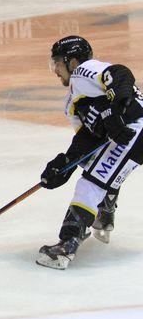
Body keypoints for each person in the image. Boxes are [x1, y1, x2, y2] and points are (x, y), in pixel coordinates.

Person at [38, 35, 143, 269]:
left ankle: (67, 245)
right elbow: (89, 141)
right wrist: (64, 164)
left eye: (57, 62)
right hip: (131, 134)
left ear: (72, 62)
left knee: (90, 184)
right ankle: (105, 211)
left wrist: (116, 110)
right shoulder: (72, 104)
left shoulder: (83, 72)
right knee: (93, 166)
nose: (55, 70)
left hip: (135, 127)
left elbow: (121, 74)